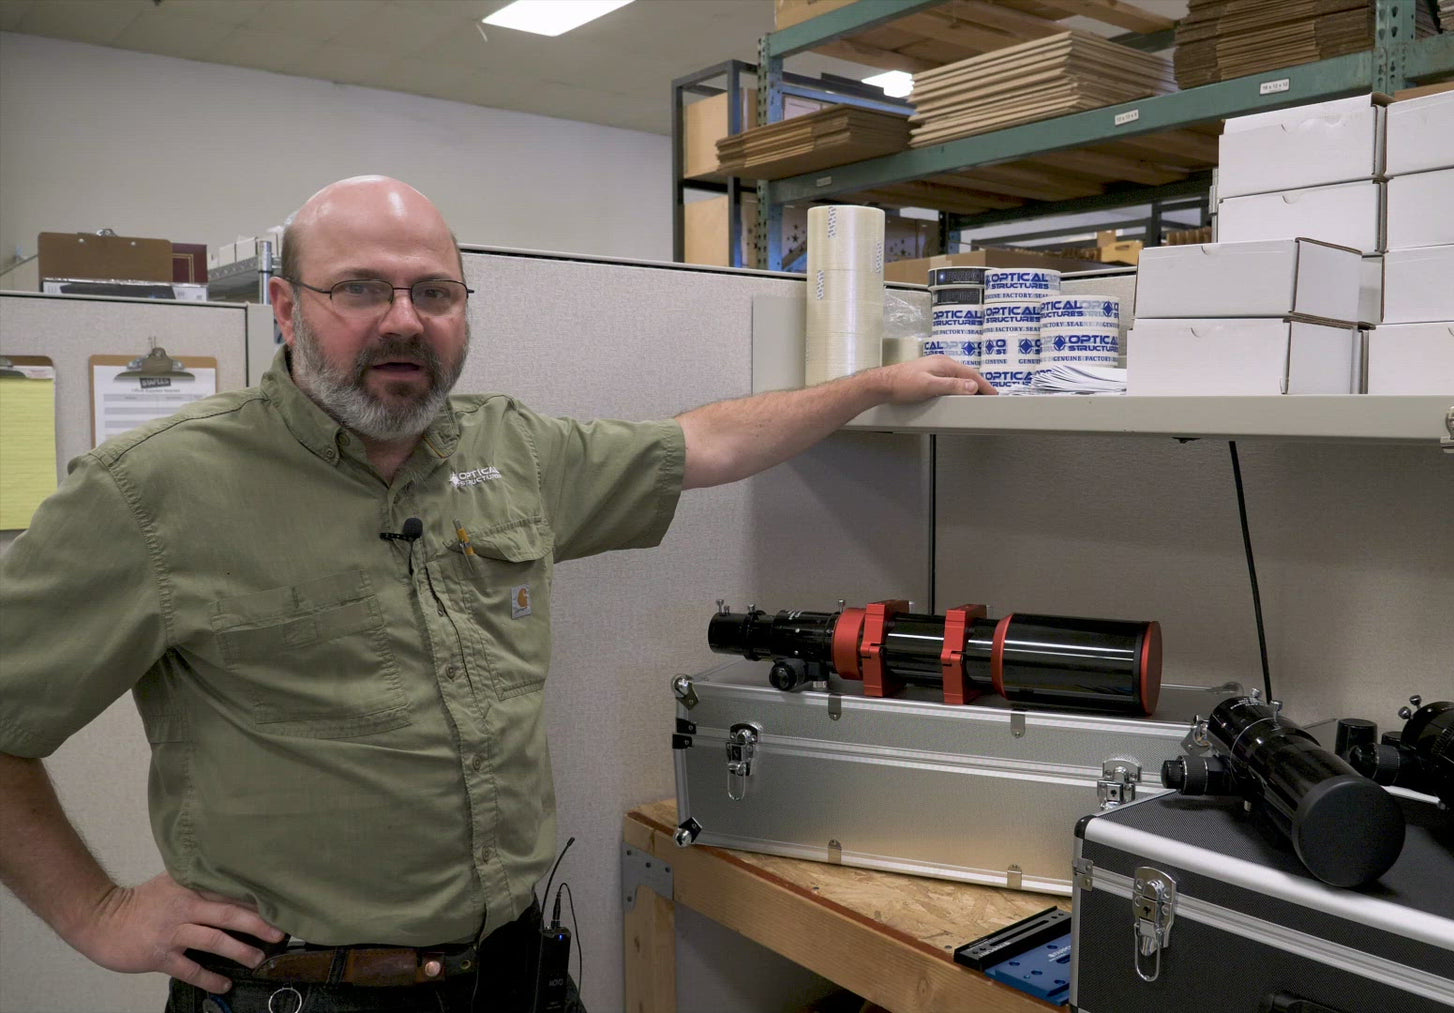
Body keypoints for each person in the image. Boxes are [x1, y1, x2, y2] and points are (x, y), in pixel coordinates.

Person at [0, 175, 995, 1012]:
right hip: (305, 988)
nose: (404, 319)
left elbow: (702, 443)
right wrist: (98, 914)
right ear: (286, 308)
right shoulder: (155, 492)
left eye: (434, 292)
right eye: (361, 288)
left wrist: (868, 387)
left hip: (514, 972)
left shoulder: (510, 449)